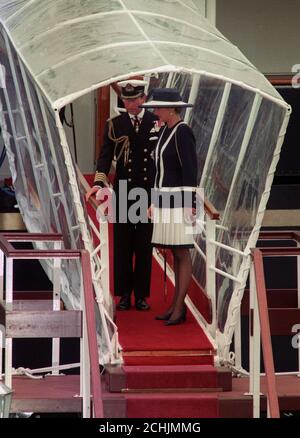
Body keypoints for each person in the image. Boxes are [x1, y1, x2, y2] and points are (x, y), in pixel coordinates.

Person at [86, 79, 158, 311]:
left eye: (134, 99)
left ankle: (142, 295)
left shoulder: (156, 122)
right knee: (123, 244)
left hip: (148, 191)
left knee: (144, 243)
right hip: (124, 190)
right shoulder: (114, 125)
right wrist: (99, 182)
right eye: (126, 100)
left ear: (143, 99)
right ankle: (124, 294)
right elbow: (105, 156)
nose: (130, 103)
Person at [140, 88, 198, 326]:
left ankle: (179, 308)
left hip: (178, 198)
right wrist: (154, 201)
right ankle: (176, 306)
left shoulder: (183, 132)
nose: (155, 112)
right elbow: (158, 172)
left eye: (158, 108)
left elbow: (190, 169)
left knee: (182, 251)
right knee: (175, 251)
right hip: (164, 196)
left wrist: (190, 202)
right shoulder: (165, 130)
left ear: (172, 109)